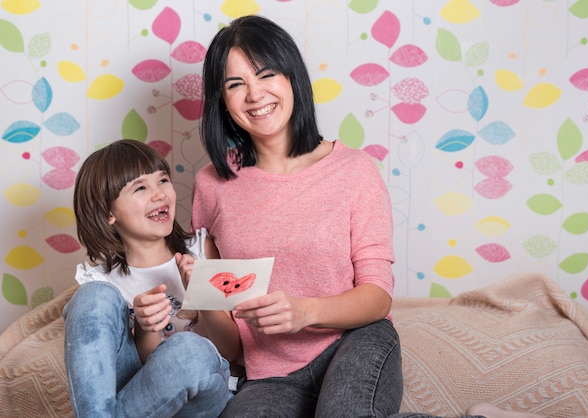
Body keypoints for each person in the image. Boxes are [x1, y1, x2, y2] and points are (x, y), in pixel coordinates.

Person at [193, 14, 547, 418]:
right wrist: (200, 297)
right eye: (235, 84)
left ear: (292, 78)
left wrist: (305, 311)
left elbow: (377, 297)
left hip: (355, 341)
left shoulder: (354, 170)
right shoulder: (212, 185)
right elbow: (231, 345)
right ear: (222, 99)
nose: (255, 94)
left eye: (266, 75)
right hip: (269, 374)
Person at [63, 139, 241, 417]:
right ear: (108, 213)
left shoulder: (200, 250)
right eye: (140, 188)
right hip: (141, 393)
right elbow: (142, 368)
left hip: (204, 388)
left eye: (163, 181)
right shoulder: (102, 281)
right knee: (91, 297)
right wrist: (146, 329)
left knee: (189, 349)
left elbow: (229, 350)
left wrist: (203, 295)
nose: (159, 194)